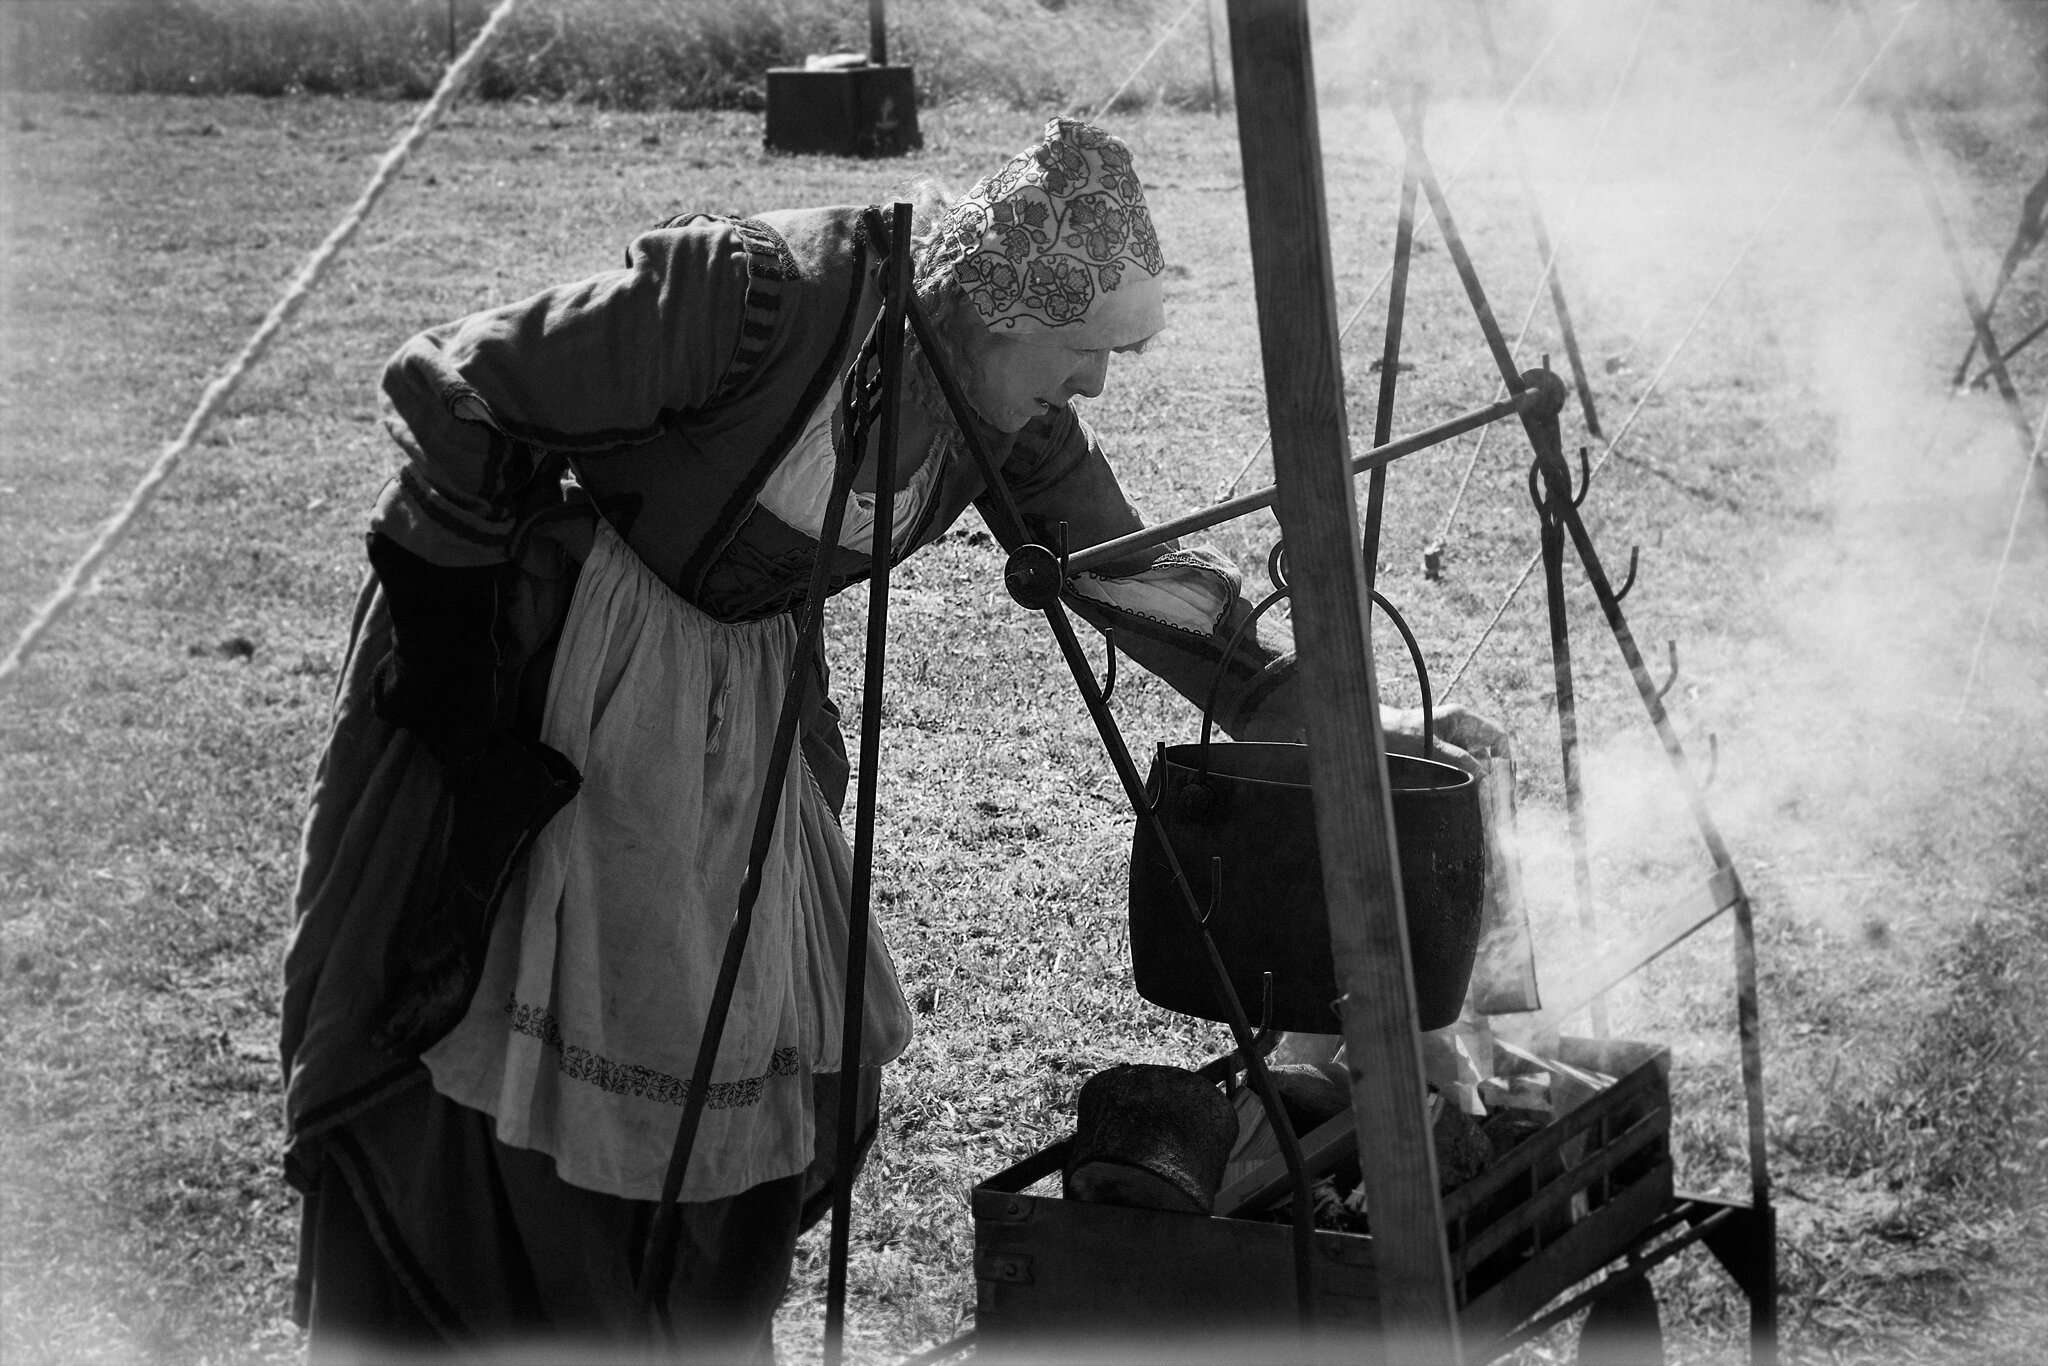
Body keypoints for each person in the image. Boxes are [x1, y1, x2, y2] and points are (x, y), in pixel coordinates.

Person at [279, 116, 1500, 1361]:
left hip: (729, 710)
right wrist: (459, 687)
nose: (1091, 385)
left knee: (754, 1050)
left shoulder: (1001, 416)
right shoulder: (754, 296)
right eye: (1083, 352)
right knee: (519, 1042)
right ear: (997, 307)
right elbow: (456, 383)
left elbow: (1125, 572)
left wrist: (1343, 721)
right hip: (549, 679)